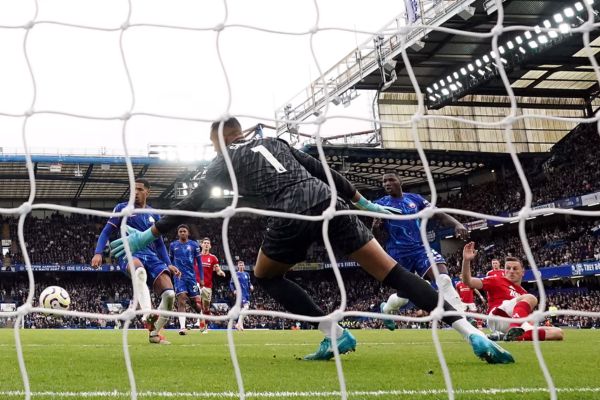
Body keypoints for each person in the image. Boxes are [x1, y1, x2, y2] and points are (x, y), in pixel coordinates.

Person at [110, 117, 513, 364]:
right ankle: (473, 335)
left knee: (266, 277)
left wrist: (151, 231)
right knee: (391, 273)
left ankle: (335, 334)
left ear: (221, 139)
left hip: (291, 210)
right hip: (329, 202)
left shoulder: (225, 160)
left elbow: (195, 204)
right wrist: (364, 203)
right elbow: (323, 171)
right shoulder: (275, 142)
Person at [374, 171, 470, 330]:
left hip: (420, 249)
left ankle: (462, 319)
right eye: (384, 181)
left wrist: (456, 224)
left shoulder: (415, 199)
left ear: (400, 180)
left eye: (390, 179)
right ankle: (386, 310)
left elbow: (437, 214)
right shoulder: (381, 203)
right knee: (403, 298)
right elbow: (376, 233)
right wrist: (376, 226)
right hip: (398, 255)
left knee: (444, 280)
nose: (386, 183)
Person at [91, 178, 180, 345]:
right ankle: (147, 315)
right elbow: (106, 232)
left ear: (148, 192)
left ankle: (154, 332)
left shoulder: (153, 213)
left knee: (169, 295)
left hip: (152, 256)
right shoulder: (122, 208)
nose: (136, 193)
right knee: (139, 272)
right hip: (129, 253)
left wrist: (168, 263)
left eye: (139, 189)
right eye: (133, 189)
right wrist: (98, 253)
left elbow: (160, 243)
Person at [461, 242, 563, 342]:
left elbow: (525, 317)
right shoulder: (496, 280)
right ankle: (513, 328)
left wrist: (532, 326)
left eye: (515, 268)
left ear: (523, 272)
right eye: (508, 268)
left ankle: (504, 336)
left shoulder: (523, 292)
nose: (511, 271)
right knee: (531, 298)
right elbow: (468, 281)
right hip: (498, 315)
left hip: (514, 321)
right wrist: (466, 260)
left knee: (557, 333)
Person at [169, 224, 204, 335]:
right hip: (179, 277)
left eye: (184, 231)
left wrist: (201, 278)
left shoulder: (194, 245)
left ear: (188, 233)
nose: (183, 233)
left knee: (196, 303)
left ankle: (202, 318)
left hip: (191, 278)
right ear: (178, 233)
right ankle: (182, 327)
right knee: (181, 299)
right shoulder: (173, 245)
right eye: (180, 231)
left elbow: (199, 263)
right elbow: (169, 262)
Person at [197, 237, 226, 333]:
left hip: (207, 286)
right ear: (201, 245)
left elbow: (217, 269)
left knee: (206, 307)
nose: (206, 244)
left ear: (210, 246)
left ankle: (205, 324)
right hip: (197, 284)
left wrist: (220, 272)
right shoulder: (196, 256)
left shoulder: (213, 258)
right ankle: (200, 322)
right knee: (197, 304)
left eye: (207, 243)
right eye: (204, 243)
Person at [230, 260, 253, 331]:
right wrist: (234, 290)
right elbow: (231, 283)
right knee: (246, 307)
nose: (241, 266)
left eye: (242, 265)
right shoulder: (235, 274)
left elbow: (249, 283)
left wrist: (251, 286)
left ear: (244, 266)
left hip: (247, 294)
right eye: (240, 265)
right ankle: (238, 324)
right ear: (238, 266)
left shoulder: (247, 274)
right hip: (240, 293)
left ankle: (240, 325)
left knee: (243, 310)